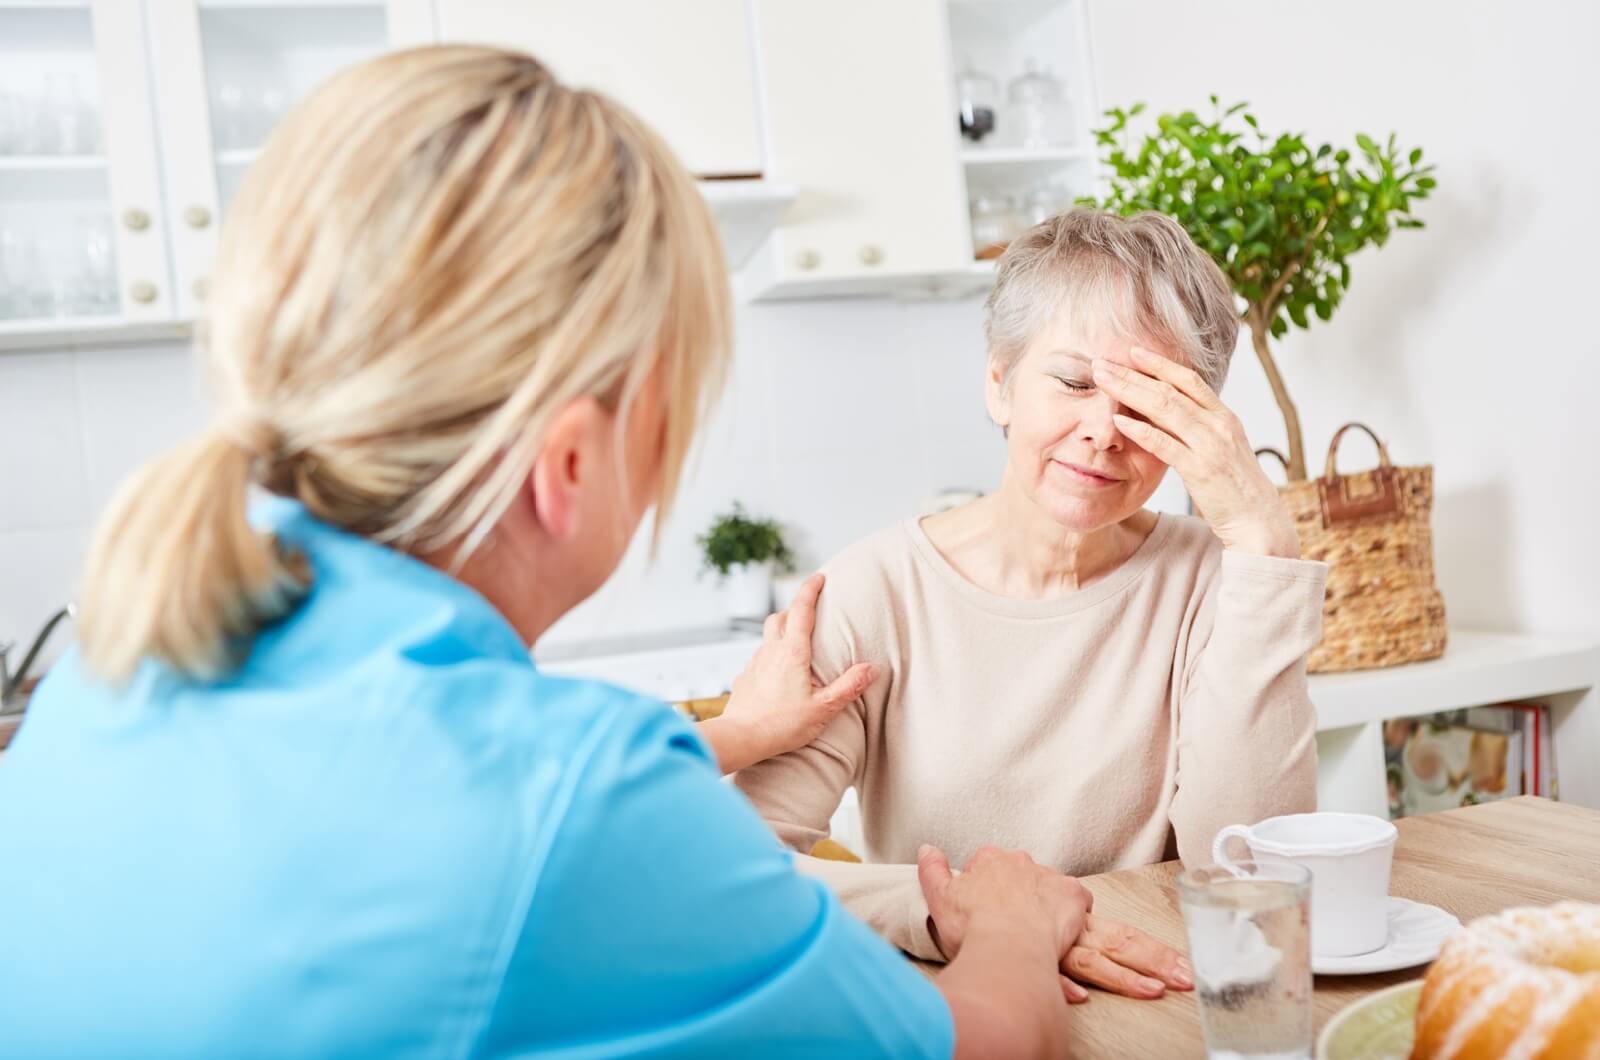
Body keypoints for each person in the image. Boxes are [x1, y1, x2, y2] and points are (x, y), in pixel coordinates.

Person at [0, 48, 1091, 1058]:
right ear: (567, 465)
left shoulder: (121, 666)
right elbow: (976, 1039)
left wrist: (734, 734)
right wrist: (1010, 922)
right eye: (672, 409)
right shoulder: (572, 791)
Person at [736, 208, 1326, 998]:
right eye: (1076, 382)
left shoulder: (1221, 580)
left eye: (1149, 403)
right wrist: (959, 914)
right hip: (962, 1005)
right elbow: (743, 872)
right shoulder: (870, 593)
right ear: (999, 384)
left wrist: (1262, 542)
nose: (1106, 431)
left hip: (1168, 1002)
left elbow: (1251, 869)